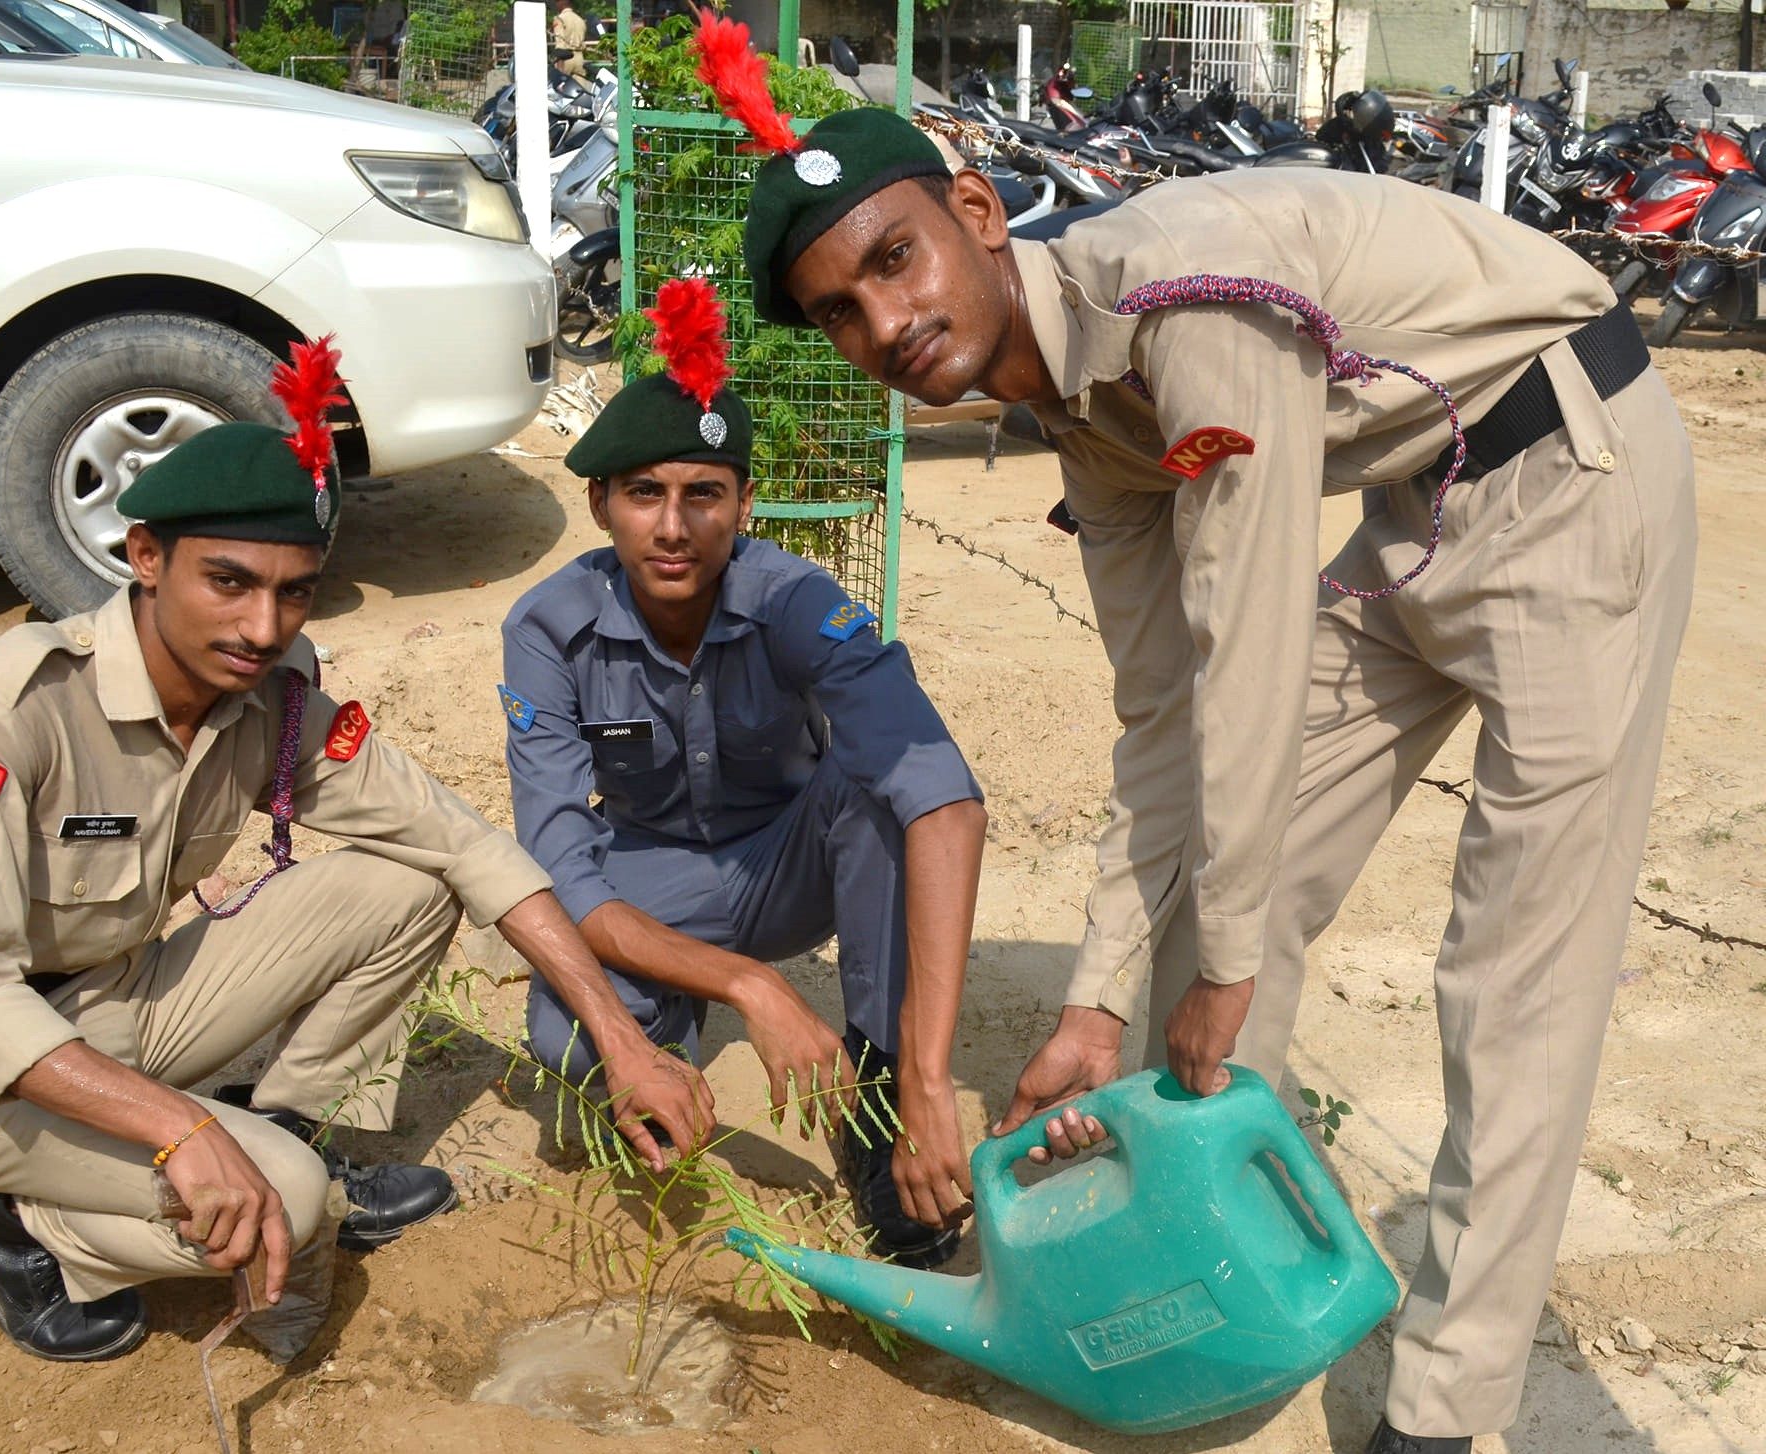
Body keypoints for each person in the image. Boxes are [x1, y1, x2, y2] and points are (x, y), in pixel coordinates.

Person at [693, 13, 1696, 1451]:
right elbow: (1164, 713)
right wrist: (1103, 995)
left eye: (892, 257)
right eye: (841, 309)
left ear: (974, 210)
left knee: (1513, 972)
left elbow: (1250, 647)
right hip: (1423, 503)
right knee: (1229, 906)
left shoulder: (1186, 301)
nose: (884, 321)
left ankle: (1440, 1405)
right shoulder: (1073, 403)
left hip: (1572, 475)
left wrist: (1216, 958)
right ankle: (1221, 1257)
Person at [0, 340, 706, 1362]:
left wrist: (624, 1043)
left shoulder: (267, 695)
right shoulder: (8, 709)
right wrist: (185, 1133)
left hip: (127, 1002)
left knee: (412, 881)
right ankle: (16, 1220)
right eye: (227, 581)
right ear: (144, 556)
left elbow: (460, 841)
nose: (261, 624)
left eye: (293, 592)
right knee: (284, 1200)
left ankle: (287, 1123)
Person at [500, 279, 988, 1267]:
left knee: (876, 785)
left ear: (744, 503)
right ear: (599, 502)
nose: (672, 526)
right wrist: (752, 987)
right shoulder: (545, 627)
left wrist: (932, 1078)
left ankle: (879, 1110)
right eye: (644, 493)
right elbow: (559, 868)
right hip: (651, 875)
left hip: (786, 861)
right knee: (568, 1044)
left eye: (702, 494)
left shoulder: (794, 598)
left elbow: (942, 794)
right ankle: (668, 1069)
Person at [550, 0, 586, 78]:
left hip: (566, 58)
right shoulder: (580, 19)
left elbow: (560, 44)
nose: (556, 5)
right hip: (579, 58)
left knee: (561, 87)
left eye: (557, 2)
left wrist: (559, 71)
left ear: (562, 3)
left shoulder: (560, 19)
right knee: (580, 87)